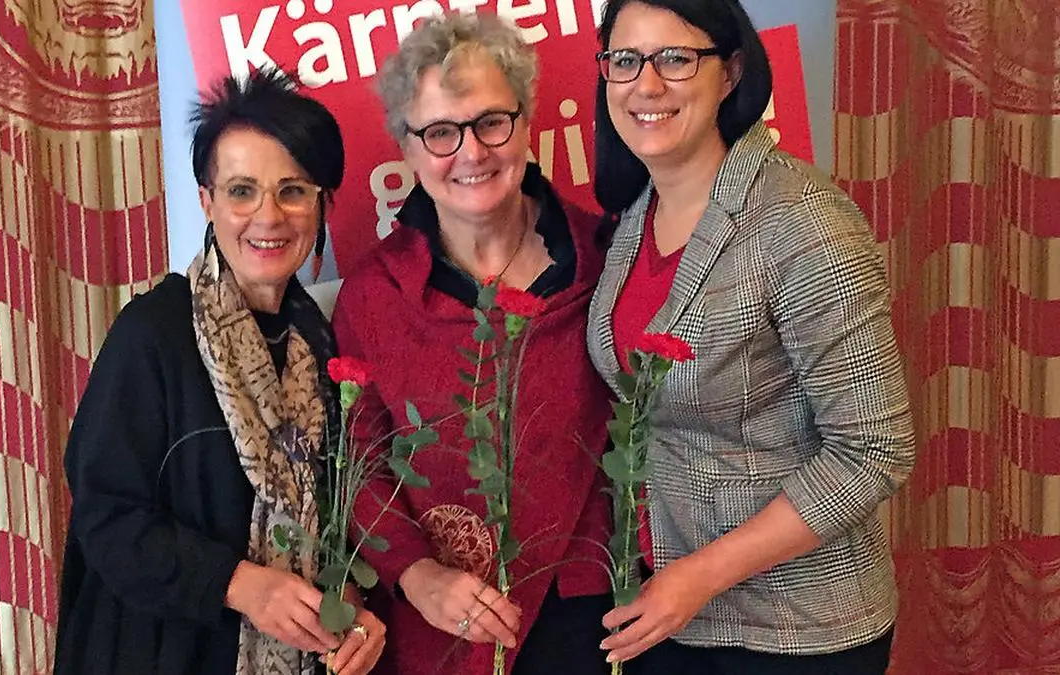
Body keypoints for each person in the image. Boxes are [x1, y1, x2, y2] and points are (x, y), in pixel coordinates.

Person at [586, 0, 916, 673]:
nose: (647, 84)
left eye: (675, 58)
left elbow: (874, 451)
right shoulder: (635, 213)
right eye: (625, 60)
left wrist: (699, 575)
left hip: (797, 628)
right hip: (670, 610)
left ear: (731, 71)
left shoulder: (800, 219)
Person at [53, 67, 385, 675]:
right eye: (241, 191)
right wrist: (238, 583)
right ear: (207, 200)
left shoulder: (320, 342)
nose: (268, 216)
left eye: (292, 190)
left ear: (321, 205)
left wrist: (350, 609)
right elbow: (106, 518)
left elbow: (334, 524)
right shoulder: (154, 334)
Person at [331, 12, 616, 675]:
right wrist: (415, 573)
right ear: (407, 149)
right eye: (440, 132)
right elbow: (357, 460)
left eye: (491, 121)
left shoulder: (606, 258)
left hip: (588, 618)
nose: (471, 152)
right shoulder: (374, 294)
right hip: (439, 624)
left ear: (526, 121)